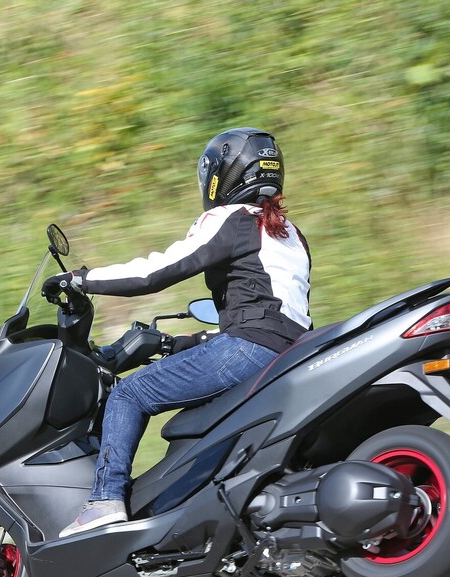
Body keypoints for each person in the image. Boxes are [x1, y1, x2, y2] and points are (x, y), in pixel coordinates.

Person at [44, 127, 312, 538]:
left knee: (129, 394)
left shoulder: (231, 218)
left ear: (222, 175)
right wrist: (186, 343)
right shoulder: (290, 233)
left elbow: (156, 272)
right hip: (289, 353)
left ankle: (105, 501)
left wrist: (81, 279)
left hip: (250, 348)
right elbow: (273, 314)